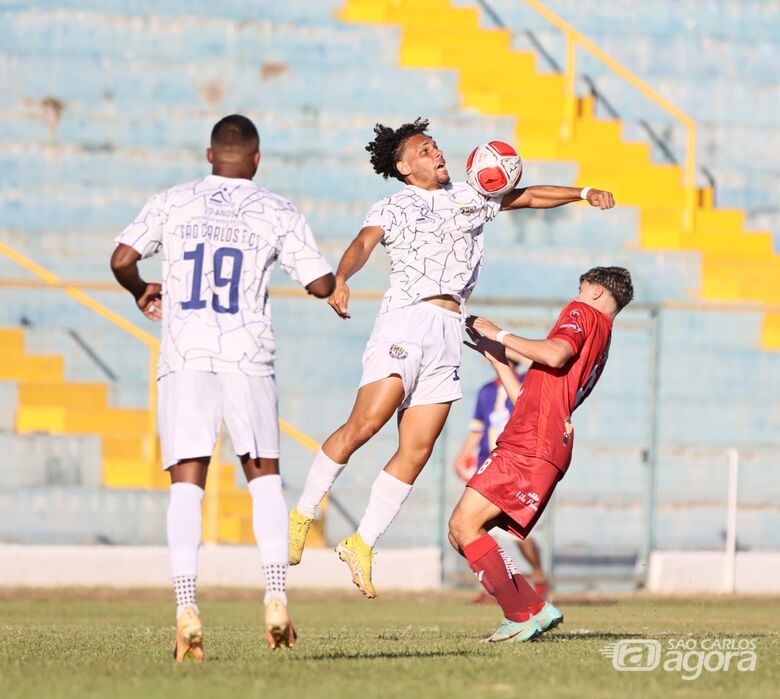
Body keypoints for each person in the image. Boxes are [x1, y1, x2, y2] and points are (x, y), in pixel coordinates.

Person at [288, 117, 615, 598]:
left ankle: (362, 543)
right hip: (406, 320)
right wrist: (341, 278)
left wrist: (584, 192)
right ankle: (303, 512)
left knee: (417, 450)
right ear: (403, 167)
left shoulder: (472, 197)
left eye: (436, 146)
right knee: (368, 422)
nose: (436, 153)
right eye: (424, 150)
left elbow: (526, 197)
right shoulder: (393, 205)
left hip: (448, 330)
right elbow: (362, 244)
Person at [110, 114, 335, 661]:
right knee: (264, 482)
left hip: (185, 355)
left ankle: (187, 605)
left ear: (210, 156)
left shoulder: (173, 200)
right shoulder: (276, 209)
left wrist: (143, 289)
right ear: (256, 160)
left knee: (187, 485)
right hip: (247, 355)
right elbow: (321, 282)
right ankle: (276, 596)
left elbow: (121, 259)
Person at [448, 266, 634, 642]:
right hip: (540, 438)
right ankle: (531, 609)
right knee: (464, 532)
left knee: (463, 526)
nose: (576, 295)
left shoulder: (583, 313)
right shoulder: (603, 338)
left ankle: (524, 613)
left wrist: (498, 332)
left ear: (596, 292)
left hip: (531, 442)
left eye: (580, 288)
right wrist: (500, 358)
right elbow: (532, 399)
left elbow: (554, 352)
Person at [452, 358, 550, 601]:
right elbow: (478, 430)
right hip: (489, 468)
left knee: (516, 534)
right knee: (475, 530)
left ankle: (538, 578)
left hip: (517, 468)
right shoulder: (486, 391)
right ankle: (496, 588)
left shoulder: (526, 383)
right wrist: (462, 456)